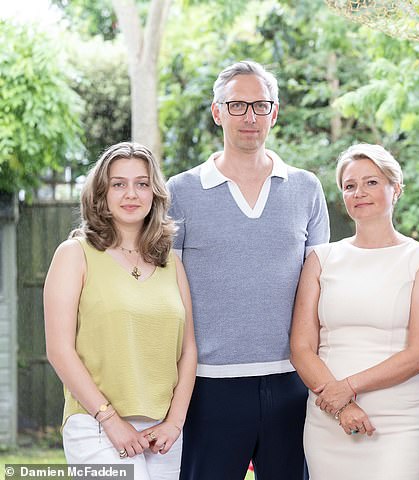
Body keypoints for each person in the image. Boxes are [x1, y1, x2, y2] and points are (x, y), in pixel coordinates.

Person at [167, 60, 330, 480]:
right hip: (209, 385)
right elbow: (167, 294)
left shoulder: (306, 188)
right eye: (237, 106)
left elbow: (322, 289)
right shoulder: (179, 193)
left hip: (291, 381)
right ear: (217, 112)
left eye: (260, 105)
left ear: (275, 113)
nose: (250, 117)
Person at [290, 143, 419, 480]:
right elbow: (301, 349)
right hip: (327, 418)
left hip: (397, 421)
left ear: (396, 189)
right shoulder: (320, 258)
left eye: (372, 182)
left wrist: (348, 387)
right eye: (350, 185)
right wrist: (342, 404)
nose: (359, 192)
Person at [44, 141, 197, 480]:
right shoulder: (75, 254)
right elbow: (59, 350)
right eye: (119, 184)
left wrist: (174, 422)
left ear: (154, 193)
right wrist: (110, 420)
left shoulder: (171, 262)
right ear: (102, 194)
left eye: (142, 183)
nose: (132, 193)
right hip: (96, 425)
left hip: (164, 434)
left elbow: (188, 351)